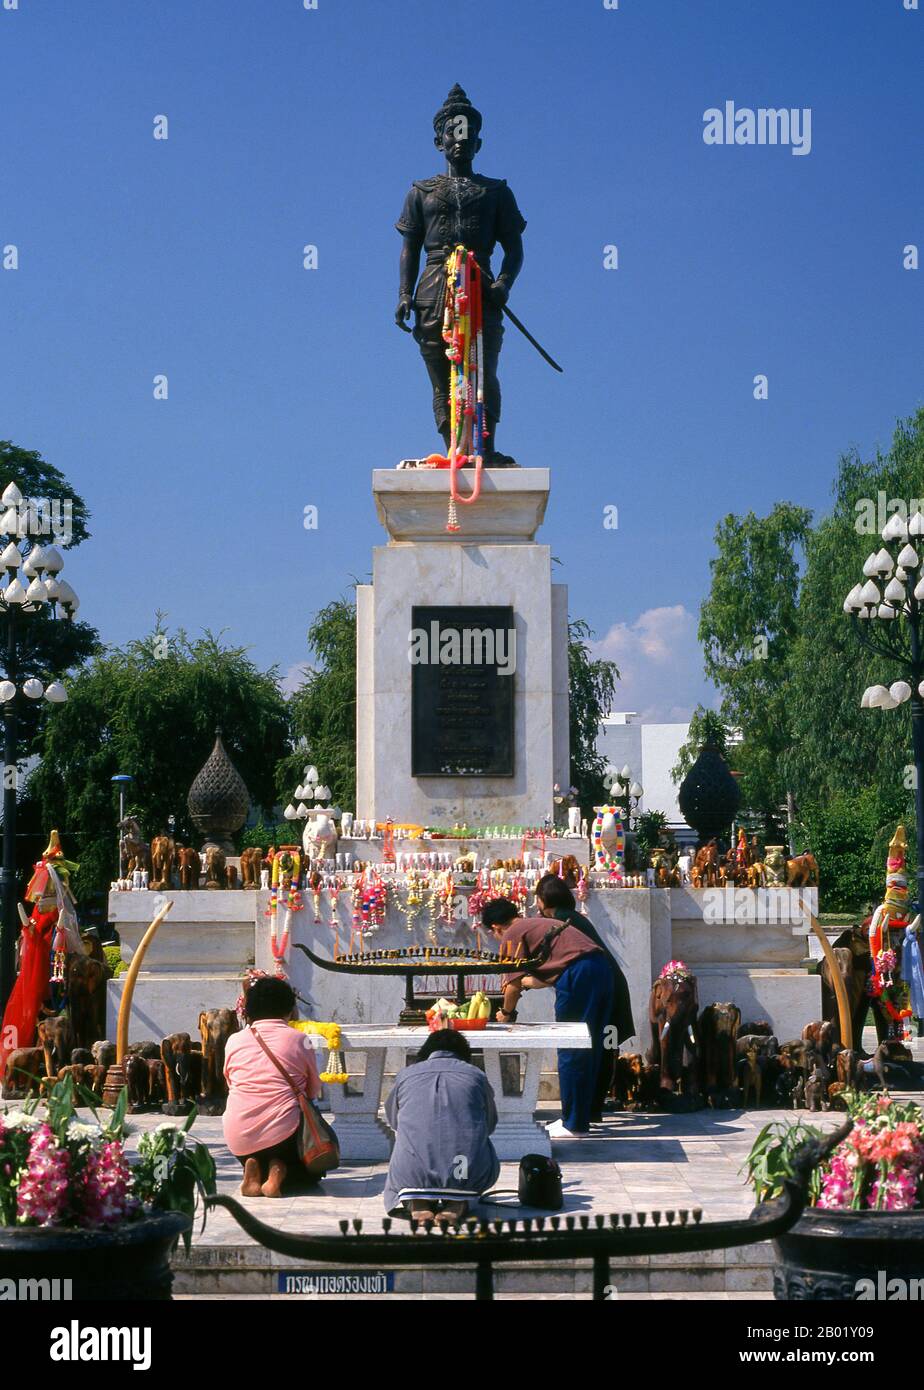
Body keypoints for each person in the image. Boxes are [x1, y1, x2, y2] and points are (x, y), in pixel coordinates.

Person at [482, 897, 614, 1138]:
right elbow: (556, 967)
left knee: (570, 1047)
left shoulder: (512, 933)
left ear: (495, 928)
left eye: (494, 935)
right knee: (588, 1047)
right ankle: (575, 1118)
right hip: (600, 970)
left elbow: (511, 987)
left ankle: (574, 1124)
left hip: (579, 976)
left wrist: (506, 1013)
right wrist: (527, 982)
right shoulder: (538, 923)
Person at [533, 874, 635, 1122]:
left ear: (542, 900)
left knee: (597, 1046)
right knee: (603, 1046)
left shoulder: (561, 922)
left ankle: (588, 1110)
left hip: (599, 987)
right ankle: (592, 1110)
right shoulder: (574, 918)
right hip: (610, 983)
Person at [383, 1028, 499, 1225]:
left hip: (410, 1172)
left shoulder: (406, 1075)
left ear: (426, 1052)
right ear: (464, 1055)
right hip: (465, 1171)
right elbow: (489, 1124)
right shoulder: (476, 1076)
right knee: (476, 1150)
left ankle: (418, 1202)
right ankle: (457, 1202)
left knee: (408, 1150)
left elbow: (394, 1122)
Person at [223, 976, 322, 1199]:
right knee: (312, 1171)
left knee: (255, 1144)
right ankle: (280, 1170)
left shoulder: (234, 1041)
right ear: (289, 1008)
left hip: (239, 1136)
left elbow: (230, 1082)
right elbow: (313, 1090)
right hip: (284, 1136)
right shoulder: (300, 1039)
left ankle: (254, 1167)